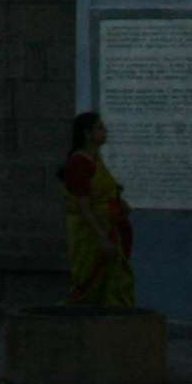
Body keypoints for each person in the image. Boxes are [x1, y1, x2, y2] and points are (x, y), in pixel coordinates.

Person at [60, 112, 137, 309]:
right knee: (91, 282)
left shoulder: (95, 159)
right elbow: (83, 205)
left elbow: (103, 191)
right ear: (87, 134)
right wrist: (102, 236)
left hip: (108, 226)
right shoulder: (79, 162)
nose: (105, 131)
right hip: (90, 233)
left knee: (115, 281)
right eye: (100, 128)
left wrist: (120, 203)